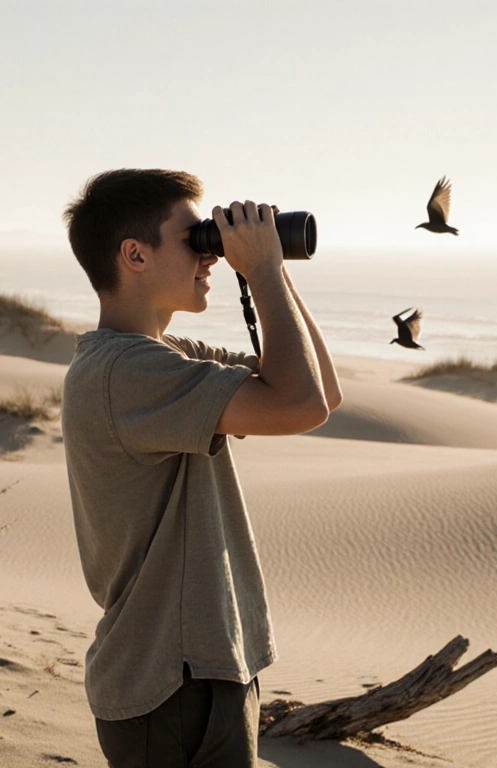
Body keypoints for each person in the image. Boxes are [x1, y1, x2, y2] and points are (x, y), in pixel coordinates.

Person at [61, 169, 343, 767]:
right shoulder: (125, 374)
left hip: (204, 669)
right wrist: (260, 269)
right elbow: (302, 403)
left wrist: (274, 269)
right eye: (195, 239)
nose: (209, 256)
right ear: (134, 254)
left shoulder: (170, 360)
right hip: (168, 684)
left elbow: (321, 391)